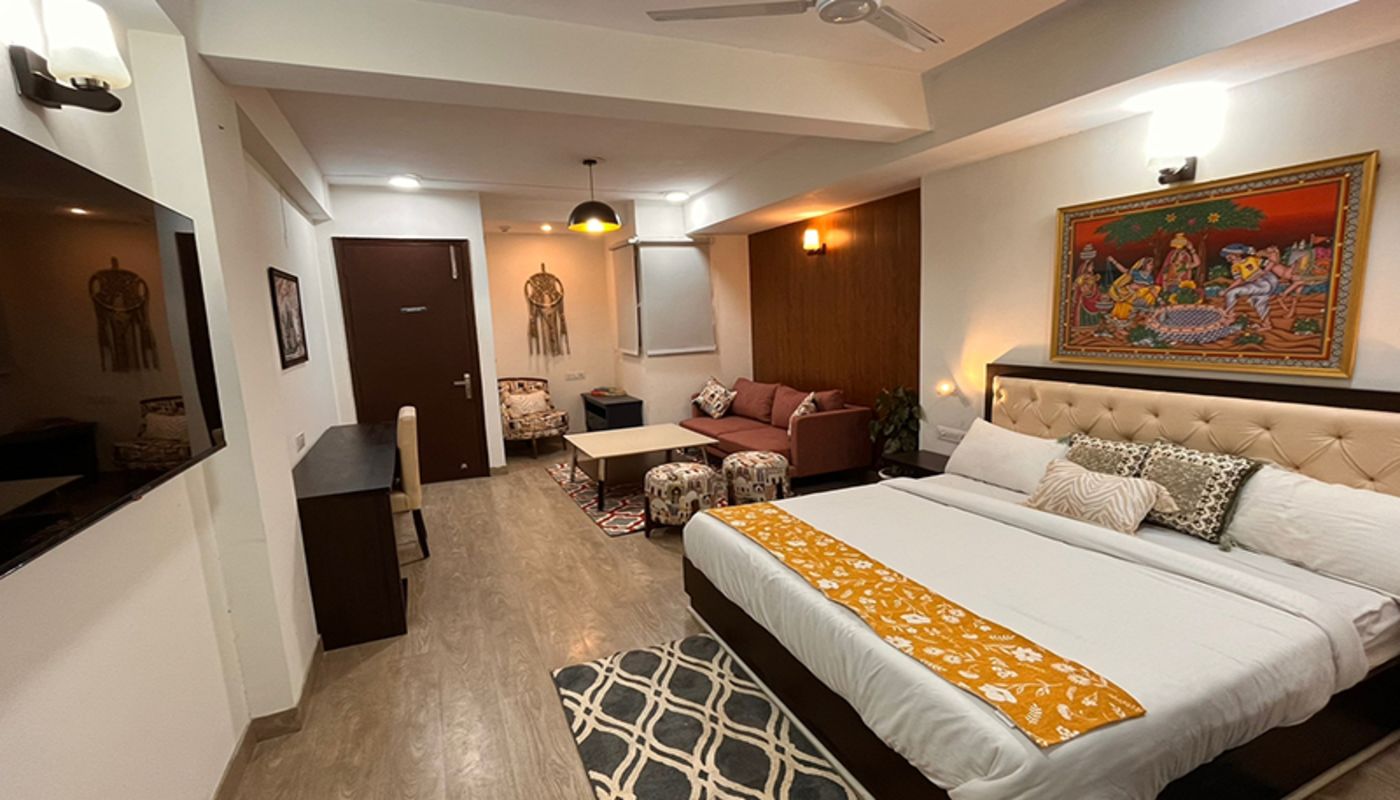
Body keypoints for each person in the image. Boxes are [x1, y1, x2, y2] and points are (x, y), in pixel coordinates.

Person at [1222, 243, 1279, 330]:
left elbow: (1271, 262)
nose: (1227, 258)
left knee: (1231, 293)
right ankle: (1267, 325)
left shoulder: (1249, 260)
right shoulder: (1236, 266)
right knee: (1259, 303)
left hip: (1265, 283)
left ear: (1235, 255)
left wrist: (1264, 272)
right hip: (1260, 284)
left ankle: (1230, 317)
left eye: (1229, 256)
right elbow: (1239, 280)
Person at [1106, 254, 1160, 321]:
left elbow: (1151, 289)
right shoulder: (1137, 273)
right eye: (1150, 264)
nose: (1152, 266)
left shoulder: (1150, 278)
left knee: (1156, 288)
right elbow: (1124, 270)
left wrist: (1159, 299)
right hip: (1132, 294)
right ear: (1145, 265)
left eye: (1153, 265)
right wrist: (1113, 261)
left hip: (1142, 297)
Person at [1160, 233, 1200, 301]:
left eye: (1184, 254)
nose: (1184, 256)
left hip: (1183, 287)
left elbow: (1197, 263)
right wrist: (1165, 293)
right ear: (1176, 256)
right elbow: (1164, 282)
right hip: (1172, 288)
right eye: (1182, 254)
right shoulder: (1168, 267)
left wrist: (1192, 249)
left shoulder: (1184, 266)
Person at [1073, 245, 1104, 327]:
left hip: (1092, 296)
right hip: (1085, 298)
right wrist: (1088, 291)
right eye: (1091, 266)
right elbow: (1081, 284)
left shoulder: (1090, 275)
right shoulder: (1084, 275)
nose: (1093, 267)